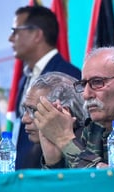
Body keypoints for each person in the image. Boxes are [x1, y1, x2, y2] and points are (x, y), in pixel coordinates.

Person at [9, 5, 81, 169]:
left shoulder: (67, 75)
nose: (10, 39)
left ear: (36, 34)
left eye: (15, 31)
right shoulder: (24, 79)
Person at [21, 72, 87, 168]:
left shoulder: (94, 145)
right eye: (25, 110)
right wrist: (53, 163)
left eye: (33, 110)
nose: (24, 119)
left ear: (63, 112)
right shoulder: (34, 153)